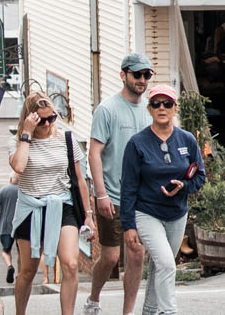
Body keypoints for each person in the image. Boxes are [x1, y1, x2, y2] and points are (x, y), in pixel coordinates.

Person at [117, 79, 204, 315]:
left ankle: (150, 311)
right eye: (156, 104)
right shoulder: (137, 143)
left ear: (175, 107)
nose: (162, 108)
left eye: (167, 103)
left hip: (177, 214)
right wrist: (128, 226)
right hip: (147, 212)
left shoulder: (187, 140)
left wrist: (182, 186)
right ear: (150, 109)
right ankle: (169, 311)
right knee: (167, 263)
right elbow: (128, 188)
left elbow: (200, 178)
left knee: (159, 266)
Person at [9, 87, 94, 315]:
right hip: (31, 207)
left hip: (62, 204)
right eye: (41, 120)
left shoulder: (66, 138)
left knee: (71, 263)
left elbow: (80, 178)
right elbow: (18, 167)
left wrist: (88, 215)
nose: (47, 125)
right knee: (28, 270)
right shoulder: (19, 141)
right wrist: (26, 134)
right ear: (30, 118)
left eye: (51, 118)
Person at [87, 51, 151, 314]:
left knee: (136, 253)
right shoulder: (107, 109)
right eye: (137, 74)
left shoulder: (150, 111)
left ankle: (128, 311)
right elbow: (94, 152)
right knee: (111, 257)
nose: (142, 80)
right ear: (123, 75)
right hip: (113, 195)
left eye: (147, 75)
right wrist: (100, 194)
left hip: (142, 198)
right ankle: (93, 298)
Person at [0, 183, 20, 287]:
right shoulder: (23, 190)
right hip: (20, 224)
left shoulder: (4, 190)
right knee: (21, 252)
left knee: (6, 251)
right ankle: (19, 275)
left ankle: (9, 266)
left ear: (11, 179)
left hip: (6, 225)